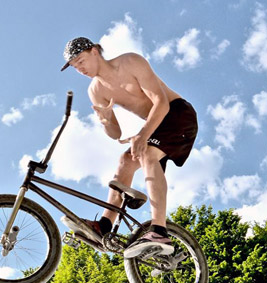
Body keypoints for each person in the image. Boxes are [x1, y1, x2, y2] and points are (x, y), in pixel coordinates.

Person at [59, 36, 198, 259]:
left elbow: (160, 103)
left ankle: (159, 231)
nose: (80, 69)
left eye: (81, 61)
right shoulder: (96, 90)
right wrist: (105, 120)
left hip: (178, 114)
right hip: (155, 127)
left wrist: (143, 135)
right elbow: (116, 134)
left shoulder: (130, 62)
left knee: (148, 156)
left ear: (95, 51)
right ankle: (104, 225)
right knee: (125, 161)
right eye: (75, 67)